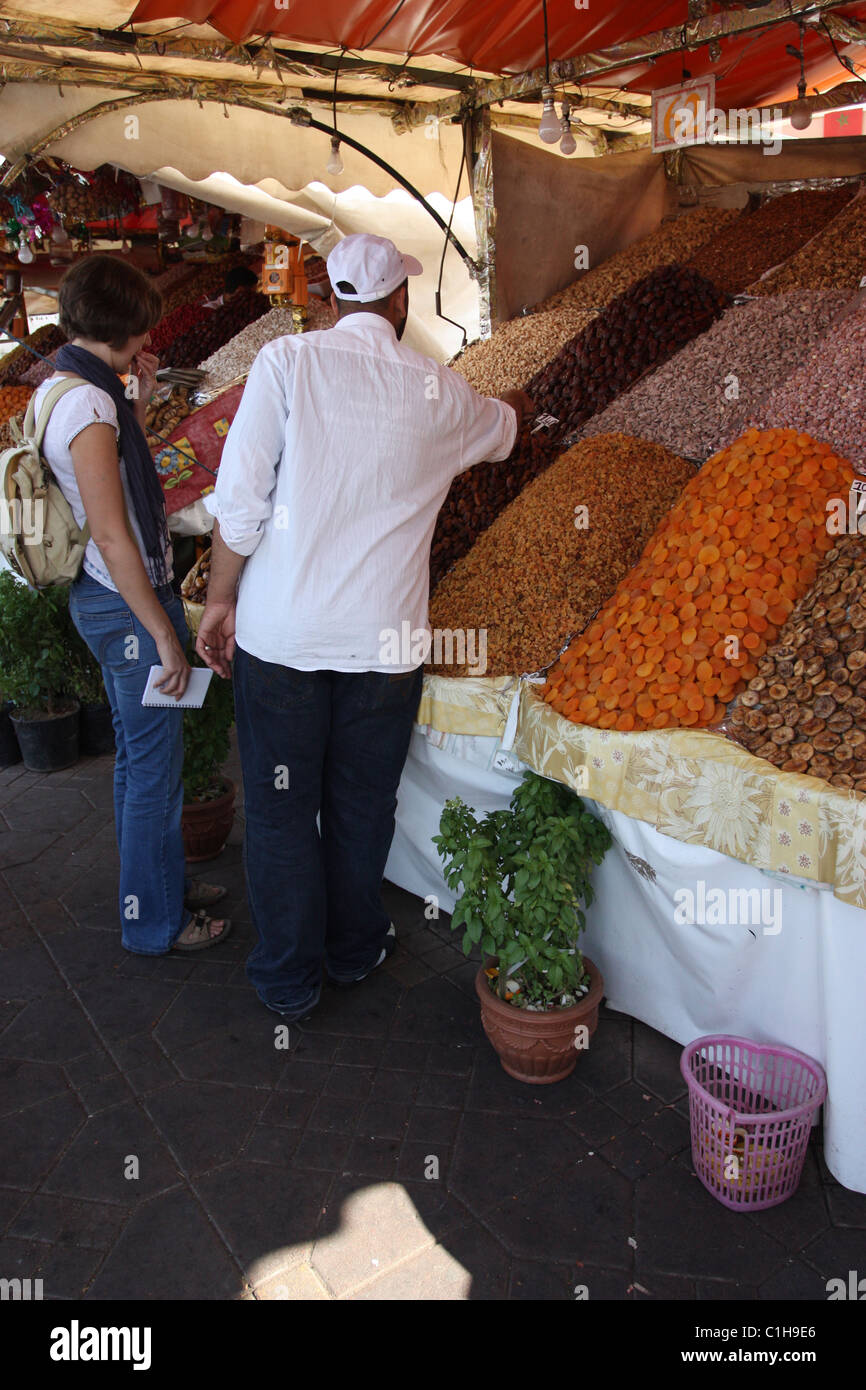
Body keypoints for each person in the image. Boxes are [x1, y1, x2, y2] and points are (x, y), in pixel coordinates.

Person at [197, 232, 533, 1021]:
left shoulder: (288, 364)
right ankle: (353, 950)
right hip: (385, 649)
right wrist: (517, 401)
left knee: (281, 810)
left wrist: (218, 603)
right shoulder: (440, 392)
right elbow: (506, 429)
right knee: (360, 804)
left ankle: (287, 978)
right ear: (401, 301)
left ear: (330, 300)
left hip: (282, 639)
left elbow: (239, 508)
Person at [34, 254, 229, 954]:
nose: (148, 344)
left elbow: (114, 474)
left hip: (107, 602)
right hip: (124, 607)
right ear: (122, 327)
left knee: (138, 761)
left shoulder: (68, 388)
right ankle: (154, 921)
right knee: (151, 771)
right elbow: (114, 534)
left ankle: (159, 884)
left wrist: (139, 401)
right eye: (143, 333)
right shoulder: (87, 405)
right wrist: (165, 636)